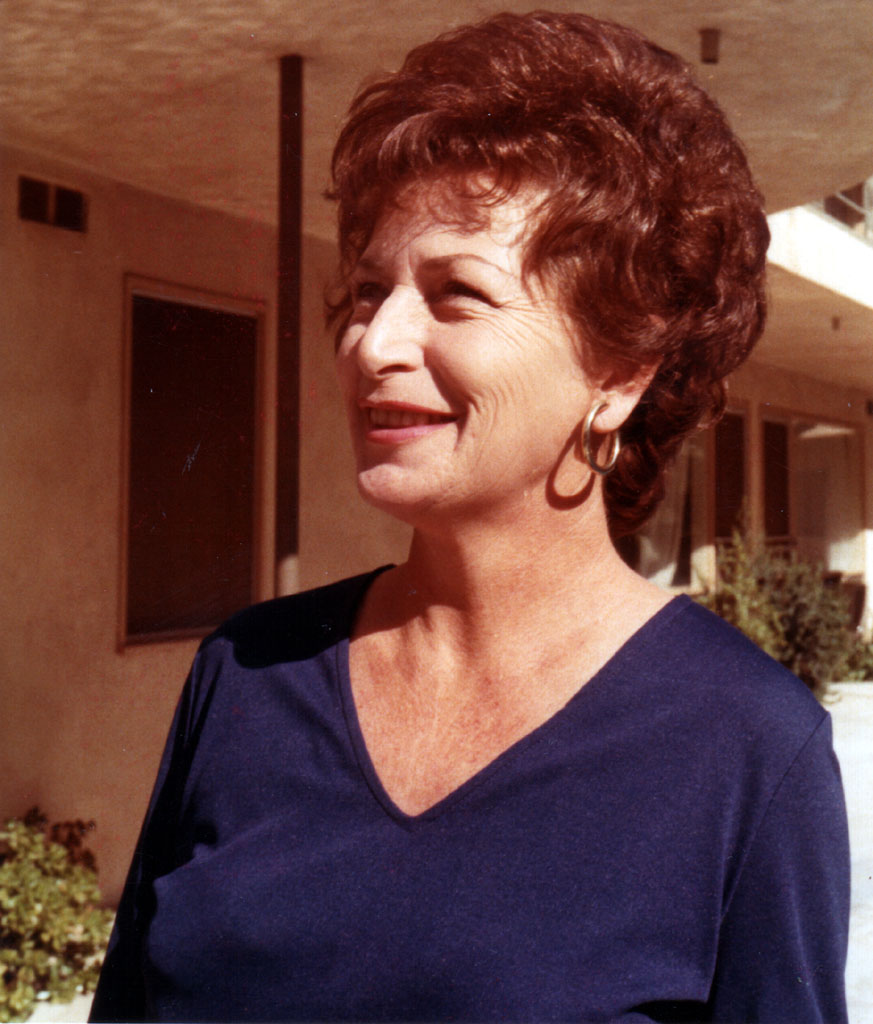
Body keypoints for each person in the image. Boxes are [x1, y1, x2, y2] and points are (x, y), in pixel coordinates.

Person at [91, 11, 850, 1022]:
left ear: (620, 374)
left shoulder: (747, 747)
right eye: (370, 291)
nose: (374, 343)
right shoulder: (245, 673)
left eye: (457, 293)